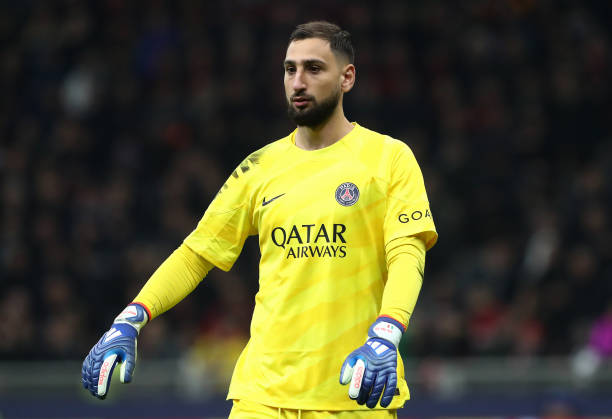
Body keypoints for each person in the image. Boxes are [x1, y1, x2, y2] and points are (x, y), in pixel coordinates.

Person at [82, 21, 438, 418]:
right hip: (261, 397)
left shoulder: (388, 157)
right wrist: (130, 319)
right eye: (290, 69)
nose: (298, 81)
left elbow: (407, 252)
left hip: (355, 389)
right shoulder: (259, 167)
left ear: (347, 77)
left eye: (314, 68)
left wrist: (387, 333)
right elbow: (197, 252)